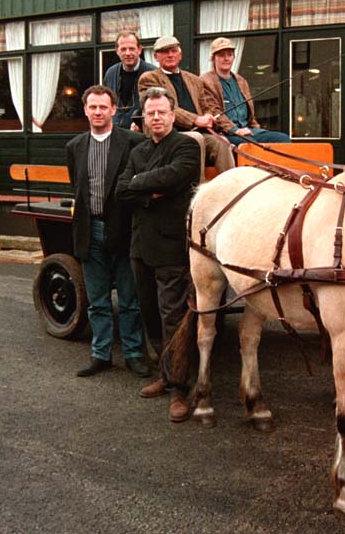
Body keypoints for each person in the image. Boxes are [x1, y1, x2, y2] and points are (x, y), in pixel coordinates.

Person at [115, 87, 200, 422]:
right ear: (145, 117)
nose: (156, 118)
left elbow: (176, 177)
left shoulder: (186, 146)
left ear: (172, 113)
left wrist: (139, 184)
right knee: (149, 313)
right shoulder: (139, 150)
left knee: (174, 318)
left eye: (162, 112)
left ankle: (180, 388)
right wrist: (150, 193)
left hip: (170, 247)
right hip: (140, 247)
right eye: (150, 114)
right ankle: (164, 376)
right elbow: (122, 190)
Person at [67, 85, 149, 378]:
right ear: (85, 110)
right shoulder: (74, 147)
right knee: (98, 300)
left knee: (129, 300)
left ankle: (133, 354)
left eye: (104, 107)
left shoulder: (133, 142)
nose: (98, 112)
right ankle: (100, 354)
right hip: (90, 232)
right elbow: (78, 190)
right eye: (93, 107)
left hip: (124, 230)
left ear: (114, 110)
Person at [137, 35, 235, 181]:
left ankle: (231, 188)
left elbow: (205, 106)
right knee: (196, 139)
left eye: (173, 51)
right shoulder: (149, 78)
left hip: (198, 132)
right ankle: (196, 193)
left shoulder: (194, 79)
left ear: (180, 54)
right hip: (167, 134)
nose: (170, 55)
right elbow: (165, 108)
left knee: (222, 142)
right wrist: (196, 120)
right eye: (165, 52)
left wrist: (208, 117)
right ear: (156, 56)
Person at [200, 37, 291, 147]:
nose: (226, 58)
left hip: (248, 130)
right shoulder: (205, 81)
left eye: (229, 54)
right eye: (221, 55)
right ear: (213, 58)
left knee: (283, 139)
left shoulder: (241, 81)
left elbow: (250, 114)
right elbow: (213, 112)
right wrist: (235, 130)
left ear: (234, 57)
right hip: (225, 132)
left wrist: (256, 128)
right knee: (250, 145)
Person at [103, 32, 157, 129]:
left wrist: (141, 123)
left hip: (142, 133)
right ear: (117, 51)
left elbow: (158, 106)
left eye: (132, 49)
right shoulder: (110, 73)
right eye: (123, 49)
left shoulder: (153, 73)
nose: (128, 53)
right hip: (115, 132)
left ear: (139, 50)